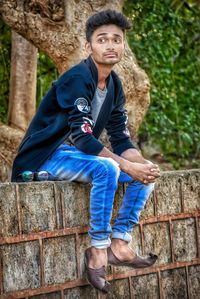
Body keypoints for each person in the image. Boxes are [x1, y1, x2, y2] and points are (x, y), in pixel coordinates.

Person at [11, 10, 160, 294]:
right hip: (45, 157)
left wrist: (143, 167)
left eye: (117, 40)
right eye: (102, 39)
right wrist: (128, 167)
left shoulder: (114, 85)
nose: (110, 45)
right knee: (108, 168)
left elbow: (121, 139)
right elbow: (83, 137)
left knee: (146, 172)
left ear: (124, 46)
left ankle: (119, 243)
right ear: (88, 47)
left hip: (73, 156)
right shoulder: (77, 78)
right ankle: (98, 249)